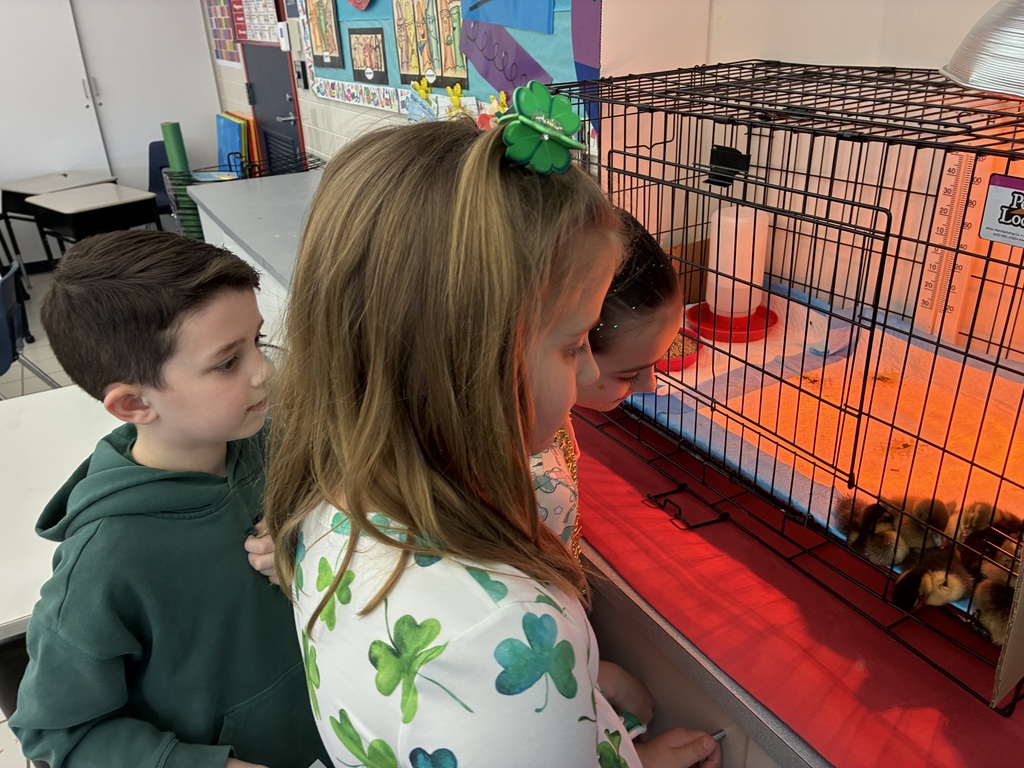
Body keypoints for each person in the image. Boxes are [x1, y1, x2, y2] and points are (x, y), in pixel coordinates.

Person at [265, 97, 720, 767]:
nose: (587, 373)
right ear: (465, 360)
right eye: (573, 346)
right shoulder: (498, 630)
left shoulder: (331, 497)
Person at [10, 231, 329, 768]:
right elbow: (58, 733)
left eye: (257, 340)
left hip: (336, 725)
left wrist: (312, 541)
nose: (264, 370)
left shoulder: (273, 442)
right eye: (227, 362)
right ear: (133, 404)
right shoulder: (106, 560)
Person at [532, 209, 687, 742]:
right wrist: (596, 676)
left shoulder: (547, 422)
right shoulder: (526, 470)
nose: (649, 385)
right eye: (630, 372)